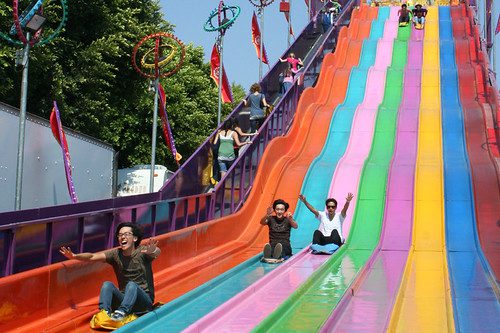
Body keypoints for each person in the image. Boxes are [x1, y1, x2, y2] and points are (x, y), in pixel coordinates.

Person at [59, 222, 161, 324]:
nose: (122, 237)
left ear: (135, 238)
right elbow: (92, 256)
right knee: (107, 285)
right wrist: (75, 256)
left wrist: (152, 251)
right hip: (125, 299)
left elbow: (156, 252)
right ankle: (104, 313)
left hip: (143, 303)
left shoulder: (142, 252)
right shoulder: (115, 254)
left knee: (131, 285)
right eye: (120, 235)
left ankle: (122, 312)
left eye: (126, 234)